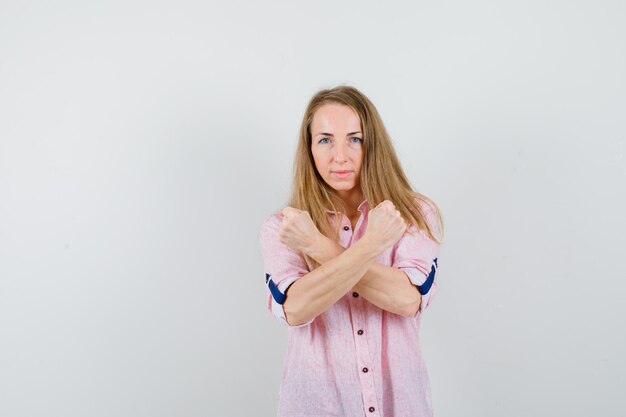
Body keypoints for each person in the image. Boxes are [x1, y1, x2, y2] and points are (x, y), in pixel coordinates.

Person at [258, 85, 444, 417]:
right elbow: (296, 308)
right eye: (325, 140)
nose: (340, 156)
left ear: (373, 145)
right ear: (310, 148)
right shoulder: (283, 228)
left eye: (354, 139)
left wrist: (316, 246)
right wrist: (373, 246)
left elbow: (407, 299)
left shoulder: (415, 214)